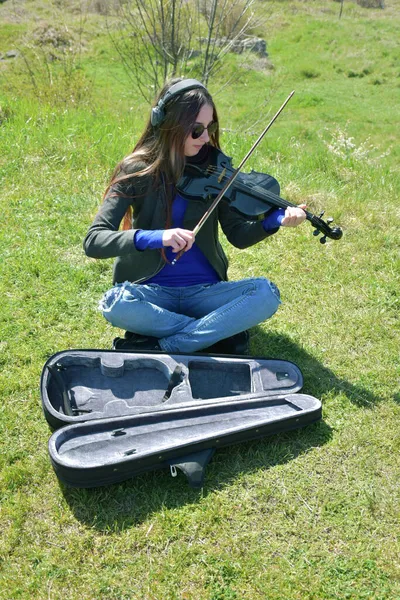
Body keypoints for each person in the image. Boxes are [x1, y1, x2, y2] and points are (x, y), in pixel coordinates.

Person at [84, 78, 306, 354]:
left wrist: (274, 221)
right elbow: (94, 240)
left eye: (210, 127)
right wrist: (158, 237)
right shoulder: (135, 170)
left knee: (265, 294)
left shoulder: (215, 167)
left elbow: (238, 235)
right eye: (196, 130)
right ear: (169, 125)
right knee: (115, 303)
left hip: (205, 293)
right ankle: (213, 331)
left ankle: (170, 343)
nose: (205, 138)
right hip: (151, 294)